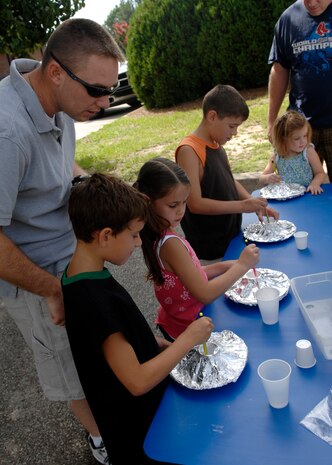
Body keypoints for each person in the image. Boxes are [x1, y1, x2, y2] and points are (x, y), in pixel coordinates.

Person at [0, 18, 124, 464]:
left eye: (108, 90)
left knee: (101, 347)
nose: (105, 101)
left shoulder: (60, 104)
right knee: (70, 368)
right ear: (56, 72)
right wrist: (53, 290)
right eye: (96, 90)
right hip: (35, 276)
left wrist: (106, 196)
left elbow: (60, 172)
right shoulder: (7, 131)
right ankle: (101, 439)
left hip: (72, 258)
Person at [61, 173, 213, 465]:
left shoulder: (76, 276)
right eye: (133, 235)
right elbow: (137, 381)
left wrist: (162, 345)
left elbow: (123, 340)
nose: (137, 243)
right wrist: (188, 339)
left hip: (141, 421)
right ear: (105, 235)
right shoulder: (95, 300)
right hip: (138, 434)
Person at [135, 157, 260, 340]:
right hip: (189, 330)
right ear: (148, 202)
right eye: (173, 205)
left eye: (184, 202)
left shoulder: (160, 234)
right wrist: (242, 266)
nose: (181, 210)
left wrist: (225, 266)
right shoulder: (170, 244)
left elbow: (190, 275)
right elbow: (205, 293)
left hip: (176, 322)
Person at [175, 84, 279, 261]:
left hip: (229, 238)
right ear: (212, 116)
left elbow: (229, 181)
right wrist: (242, 206)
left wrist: (252, 202)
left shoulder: (216, 145)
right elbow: (195, 204)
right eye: (232, 126)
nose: (235, 133)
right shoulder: (189, 150)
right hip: (209, 249)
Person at [267, 0, 332, 182]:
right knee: (302, 189)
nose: (311, 3)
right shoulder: (288, 19)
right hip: (301, 126)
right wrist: (272, 121)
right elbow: (279, 70)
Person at [260, 110, 325, 194]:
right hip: (287, 199)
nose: (303, 141)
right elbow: (261, 178)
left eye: (305, 136)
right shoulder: (277, 156)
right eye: (297, 138)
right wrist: (267, 178)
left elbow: (320, 173)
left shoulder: (308, 151)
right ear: (283, 138)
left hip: (308, 195)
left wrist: (315, 184)